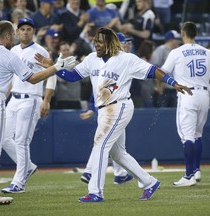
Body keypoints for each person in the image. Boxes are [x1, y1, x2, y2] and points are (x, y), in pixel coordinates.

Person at [36, 27, 192, 202]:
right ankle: (149, 182)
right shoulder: (91, 58)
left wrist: (173, 82)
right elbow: (73, 77)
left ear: (111, 42)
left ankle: (95, 191)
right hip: (104, 109)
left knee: (100, 144)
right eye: (96, 41)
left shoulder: (126, 59)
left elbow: (154, 70)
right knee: (118, 154)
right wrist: (53, 67)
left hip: (119, 106)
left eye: (101, 41)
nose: (97, 44)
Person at [0, 20, 76, 205]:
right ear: (8, 35)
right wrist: (57, 67)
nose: (16, 36)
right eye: (13, 33)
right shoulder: (8, 54)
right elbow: (33, 78)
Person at [1, 17, 56, 194]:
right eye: (22, 29)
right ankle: (28, 167)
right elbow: (12, 78)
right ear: (17, 32)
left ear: (33, 32)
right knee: (4, 138)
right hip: (14, 99)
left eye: (29, 29)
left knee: (22, 141)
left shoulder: (40, 51)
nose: (25, 32)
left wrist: (47, 100)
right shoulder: (13, 50)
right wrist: (4, 97)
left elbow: (52, 75)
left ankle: (19, 182)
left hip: (31, 98)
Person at [80, 32, 134, 185]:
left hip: (115, 106)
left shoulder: (125, 60)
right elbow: (98, 89)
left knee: (114, 146)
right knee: (103, 143)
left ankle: (120, 174)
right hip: (108, 108)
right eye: (124, 42)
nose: (127, 45)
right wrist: (92, 107)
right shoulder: (105, 61)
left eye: (128, 42)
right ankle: (90, 172)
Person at [161, 21, 210, 187]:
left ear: (183, 34)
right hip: (204, 94)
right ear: (196, 34)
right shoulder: (206, 52)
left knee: (187, 136)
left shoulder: (176, 52)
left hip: (187, 93)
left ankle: (188, 175)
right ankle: (196, 170)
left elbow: (162, 72)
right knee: (198, 135)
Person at [151, 30, 181, 107]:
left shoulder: (177, 51)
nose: (178, 42)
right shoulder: (161, 49)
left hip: (175, 88)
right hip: (164, 89)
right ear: (171, 40)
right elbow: (153, 69)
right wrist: (158, 87)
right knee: (162, 113)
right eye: (177, 39)